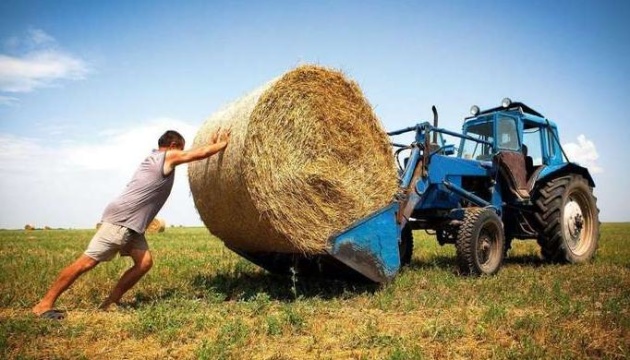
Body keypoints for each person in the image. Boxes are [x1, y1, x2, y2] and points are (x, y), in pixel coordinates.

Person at [32, 128, 230, 319]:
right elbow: (198, 154)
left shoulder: (154, 159)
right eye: (181, 149)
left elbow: (196, 153)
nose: (182, 154)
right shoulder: (166, 157)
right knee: (86, 262)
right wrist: (223, 144)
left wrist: (212, 144)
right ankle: (44, 304)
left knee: (144, 263)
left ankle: (111, 302)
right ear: (173, 145)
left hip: (133, 224)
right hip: (122, 220)